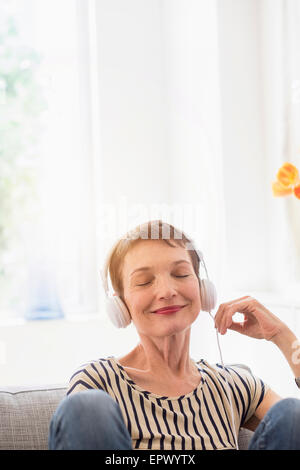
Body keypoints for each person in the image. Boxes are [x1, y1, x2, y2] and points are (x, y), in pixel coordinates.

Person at [48, 220, 300, 450]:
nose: (167, 291)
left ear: (203, 289)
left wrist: (281, 335)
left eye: (180, 274)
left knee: (292, 414)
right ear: (120, 305)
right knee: (86, 408)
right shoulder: (99, 382)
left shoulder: (231, 385)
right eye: (144, 281)